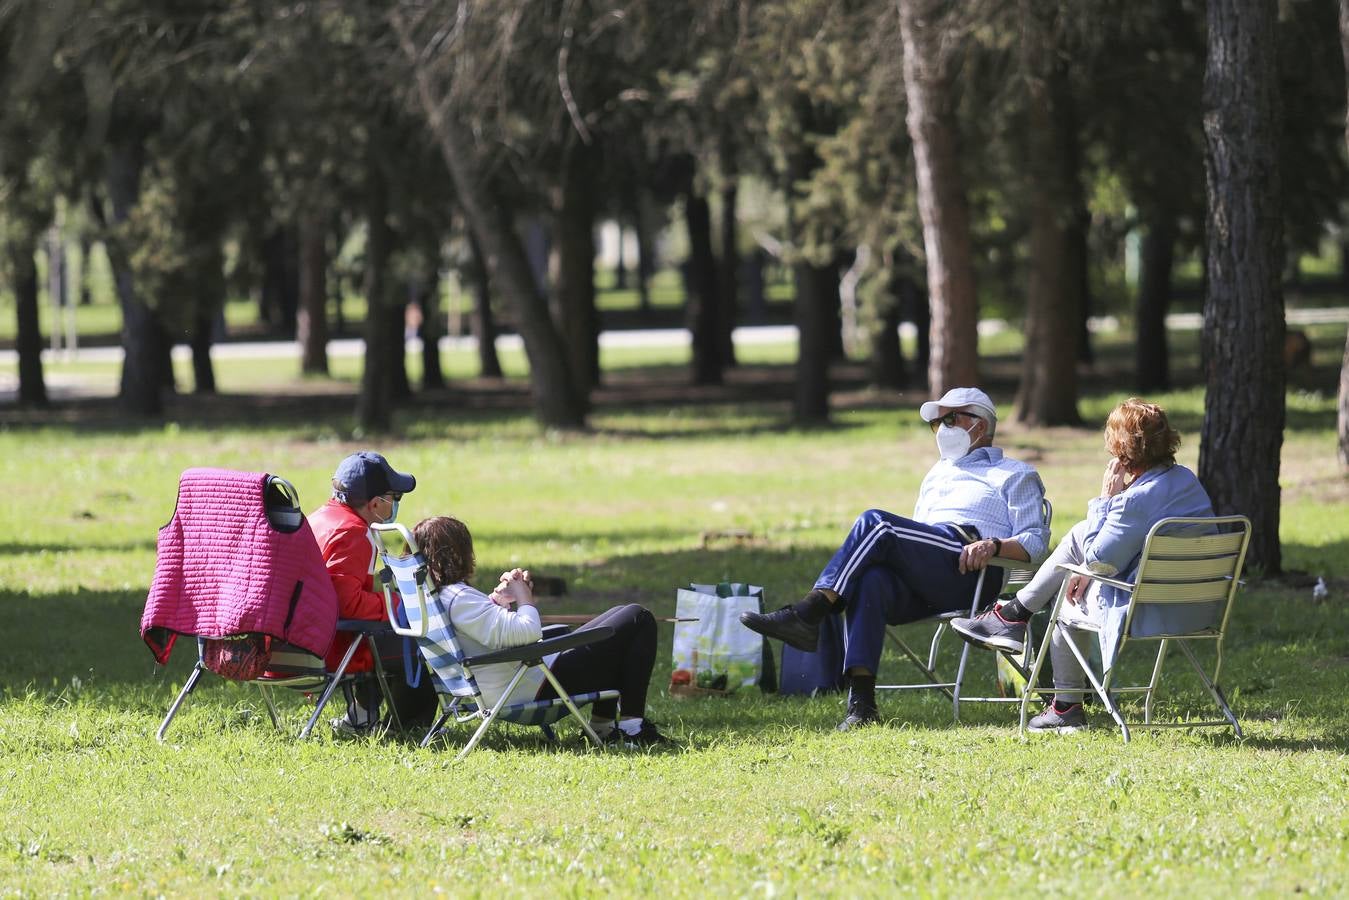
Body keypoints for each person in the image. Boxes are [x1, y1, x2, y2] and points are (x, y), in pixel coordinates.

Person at [740, 388, 1050, 731]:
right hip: (927, 568)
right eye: (936, 424)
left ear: (980, 424)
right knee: (871, 581)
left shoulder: (1014, 473)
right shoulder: (938, 473)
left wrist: (993, 545)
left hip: (973, 571)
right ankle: (862, 705)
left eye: (950, 420)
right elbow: (918, 533)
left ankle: (810, 611)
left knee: (878, 522)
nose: (942, 429)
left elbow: (1035, 545)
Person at [950, 397, 1214, 734]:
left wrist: (1106, 500)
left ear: (1121, 449)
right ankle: (1012, 616)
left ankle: (1064, 704)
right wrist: (1084, 569)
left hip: (1149, 611)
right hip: (1199, 606)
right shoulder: (1186, 482)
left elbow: (1101, 558)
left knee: (1065, 599)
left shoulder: (1132, 502)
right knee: (1078, 548)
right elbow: (1115, 555)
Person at [412, 515, 670, 747]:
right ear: (458, 554)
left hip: (498, 683)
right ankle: (632, 730)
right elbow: (527, 632)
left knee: (618, 619)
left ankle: (604, 728)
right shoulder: (459, 599)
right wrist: (525, 597)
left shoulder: (433, 598)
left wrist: (498, 601)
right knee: (638, 617)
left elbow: (482, 629)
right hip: (528, 687)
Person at [308, 451, 417, 736]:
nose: (394, 504)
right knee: (415, 639)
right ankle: (408, 726)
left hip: (306, 638)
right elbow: (348, 605)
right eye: (394, 497)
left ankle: (361, 716)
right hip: (332, 644)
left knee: (386, 633)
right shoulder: (354, 532)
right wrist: (396, 605)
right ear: (376, 504)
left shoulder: (319, 518)